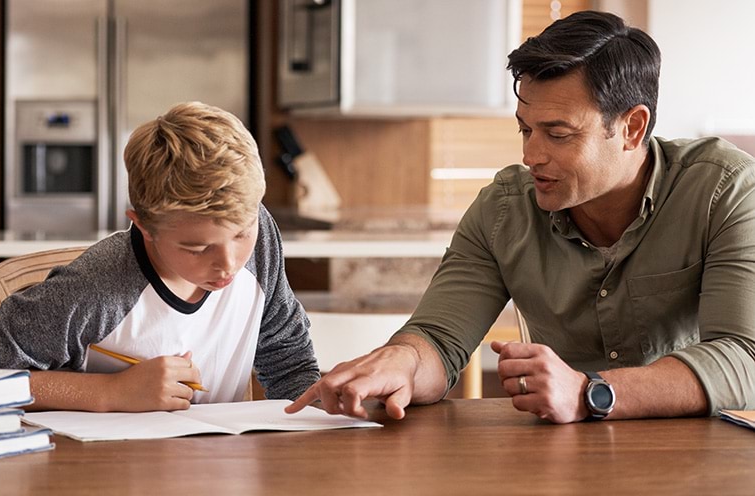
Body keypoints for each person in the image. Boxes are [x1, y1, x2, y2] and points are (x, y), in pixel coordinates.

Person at [287, 10, 755, 423]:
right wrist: (402, 362)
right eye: (525, 129)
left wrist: (592, 393)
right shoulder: (503, 210)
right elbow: (439, 339)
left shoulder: (726, 191)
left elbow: (745, 358)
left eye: (557, 134)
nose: (531, 155)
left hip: (707, 450)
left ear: (632, 127)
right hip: (561, 457)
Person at [0, 102, 320, 412]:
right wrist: (108, 393)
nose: (229, 263)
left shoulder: (263, 237)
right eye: (196, 248)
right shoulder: (95, 288)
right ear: (144, 226)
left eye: (241, 233)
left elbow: (289, 361)